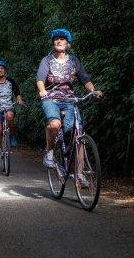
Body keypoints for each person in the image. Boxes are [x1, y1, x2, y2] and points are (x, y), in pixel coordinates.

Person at [36, 28, 102, 170]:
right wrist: (42, 91)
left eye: (62, 39)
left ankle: (81, 174)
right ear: (53, 43)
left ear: (67, 43)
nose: (58, 41)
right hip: (51, 98)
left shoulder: (74, 61)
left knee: (78, 134)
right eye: (56, 39)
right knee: (54, 124)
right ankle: (50, 152)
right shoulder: (47, 61)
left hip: (70, 100)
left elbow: (85, 79)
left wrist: (93, 90)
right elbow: (40, 79)